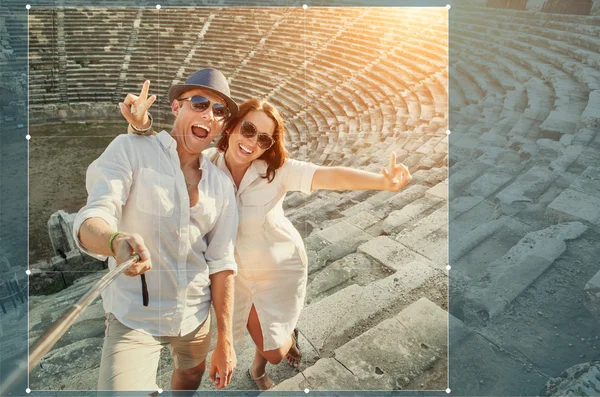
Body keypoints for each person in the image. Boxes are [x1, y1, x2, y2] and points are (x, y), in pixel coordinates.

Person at [121, 82, 412, 390]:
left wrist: (383, 183)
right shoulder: (206, 163)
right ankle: (262, 367)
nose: (252, 142)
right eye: (247, 130)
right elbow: (165, 160)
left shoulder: (276, 169)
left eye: (263, 138)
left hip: (277, 267)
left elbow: (328, 176)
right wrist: (141, 127)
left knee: (275, 351)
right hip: (233, 276)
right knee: (261, 338)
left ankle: (270, 355)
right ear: (232, 127)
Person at [73, 68, 240, 392]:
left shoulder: (221, 184)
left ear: (221, 125)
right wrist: (114, 240)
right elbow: (95, 214)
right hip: (135, 318)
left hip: (195, 316)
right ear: (177, 107)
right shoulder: (130, 149)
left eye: (218, 111)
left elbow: (221, 262)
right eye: (200, 103)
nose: (209, 114)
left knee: (190, 377)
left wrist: (226, 341)